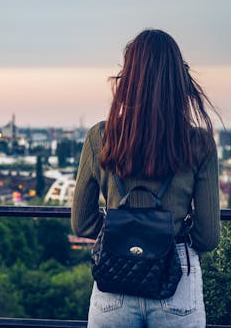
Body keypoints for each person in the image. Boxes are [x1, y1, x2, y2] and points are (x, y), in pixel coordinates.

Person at [71, 29, 221, 328]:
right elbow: (208, 236)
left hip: (115, 279)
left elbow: (82, 223)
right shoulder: (198, 142)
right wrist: (163, 232)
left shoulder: (100, 136)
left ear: (127, 80)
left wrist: (126, 230)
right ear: (179, 80)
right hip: (175, 277)